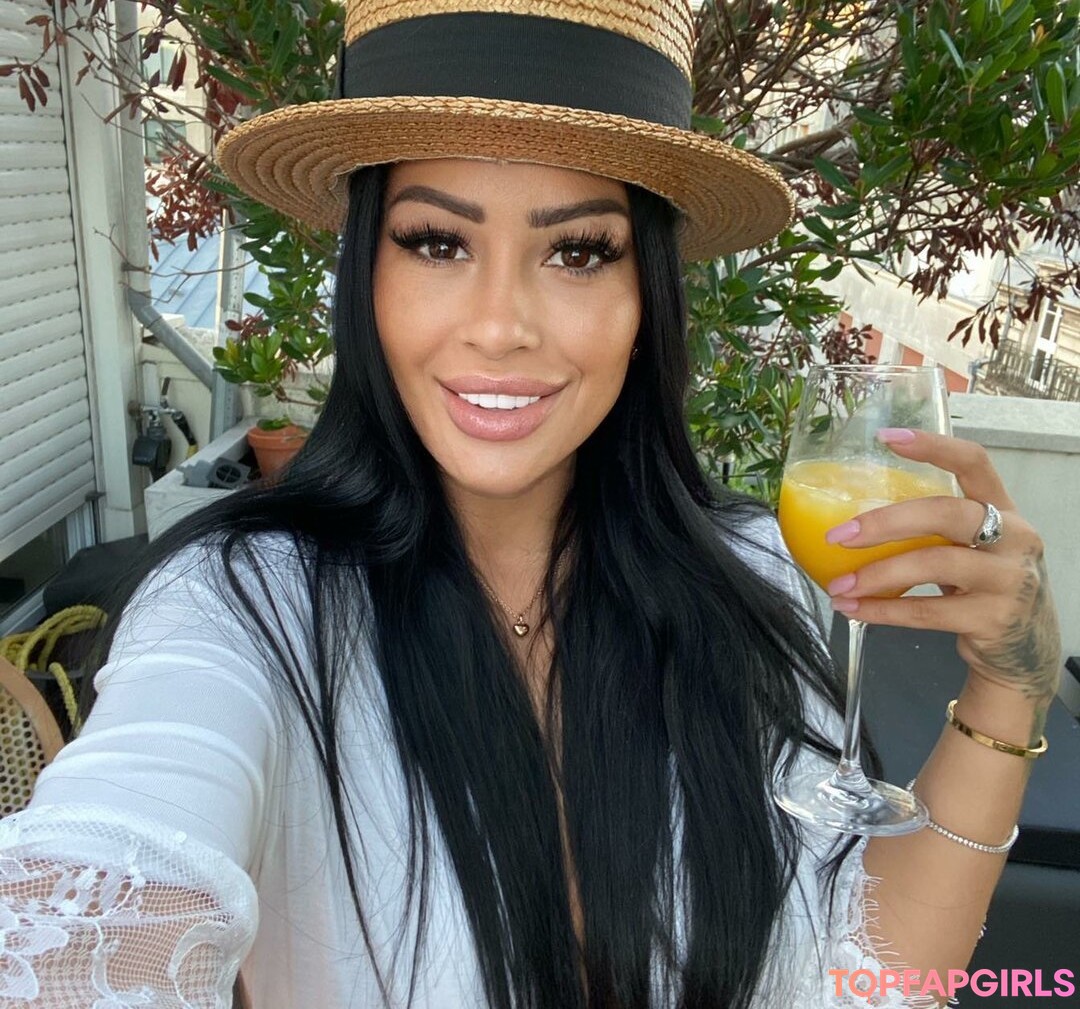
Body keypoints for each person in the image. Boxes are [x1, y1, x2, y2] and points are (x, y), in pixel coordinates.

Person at [0, 1, 1061, 1007]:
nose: (501, 325)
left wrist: (1009, 692)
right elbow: (110, 877)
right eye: (437, 241)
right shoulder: (242, 609)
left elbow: (864, 973)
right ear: (366, 274)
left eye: (578, 251)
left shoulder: (752, 570)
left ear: (644, 296)